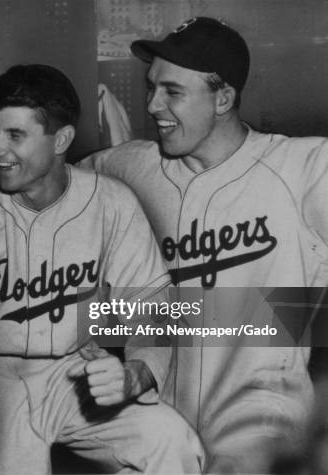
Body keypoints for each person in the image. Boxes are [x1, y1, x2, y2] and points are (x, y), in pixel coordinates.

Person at [76, 17, 328, 473]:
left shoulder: (300, 171)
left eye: (172, 92)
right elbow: (52, 180)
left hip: (263, 443)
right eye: (151, 87)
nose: (153, 105)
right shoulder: (129, 169)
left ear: (224, 98)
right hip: (160, 440)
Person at [0, 64, 204, 474]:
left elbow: (152, 309)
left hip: (71, 371)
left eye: (16, 135)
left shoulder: (111, 201)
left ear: (62, 140)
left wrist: (136, 373)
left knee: (171, 441)